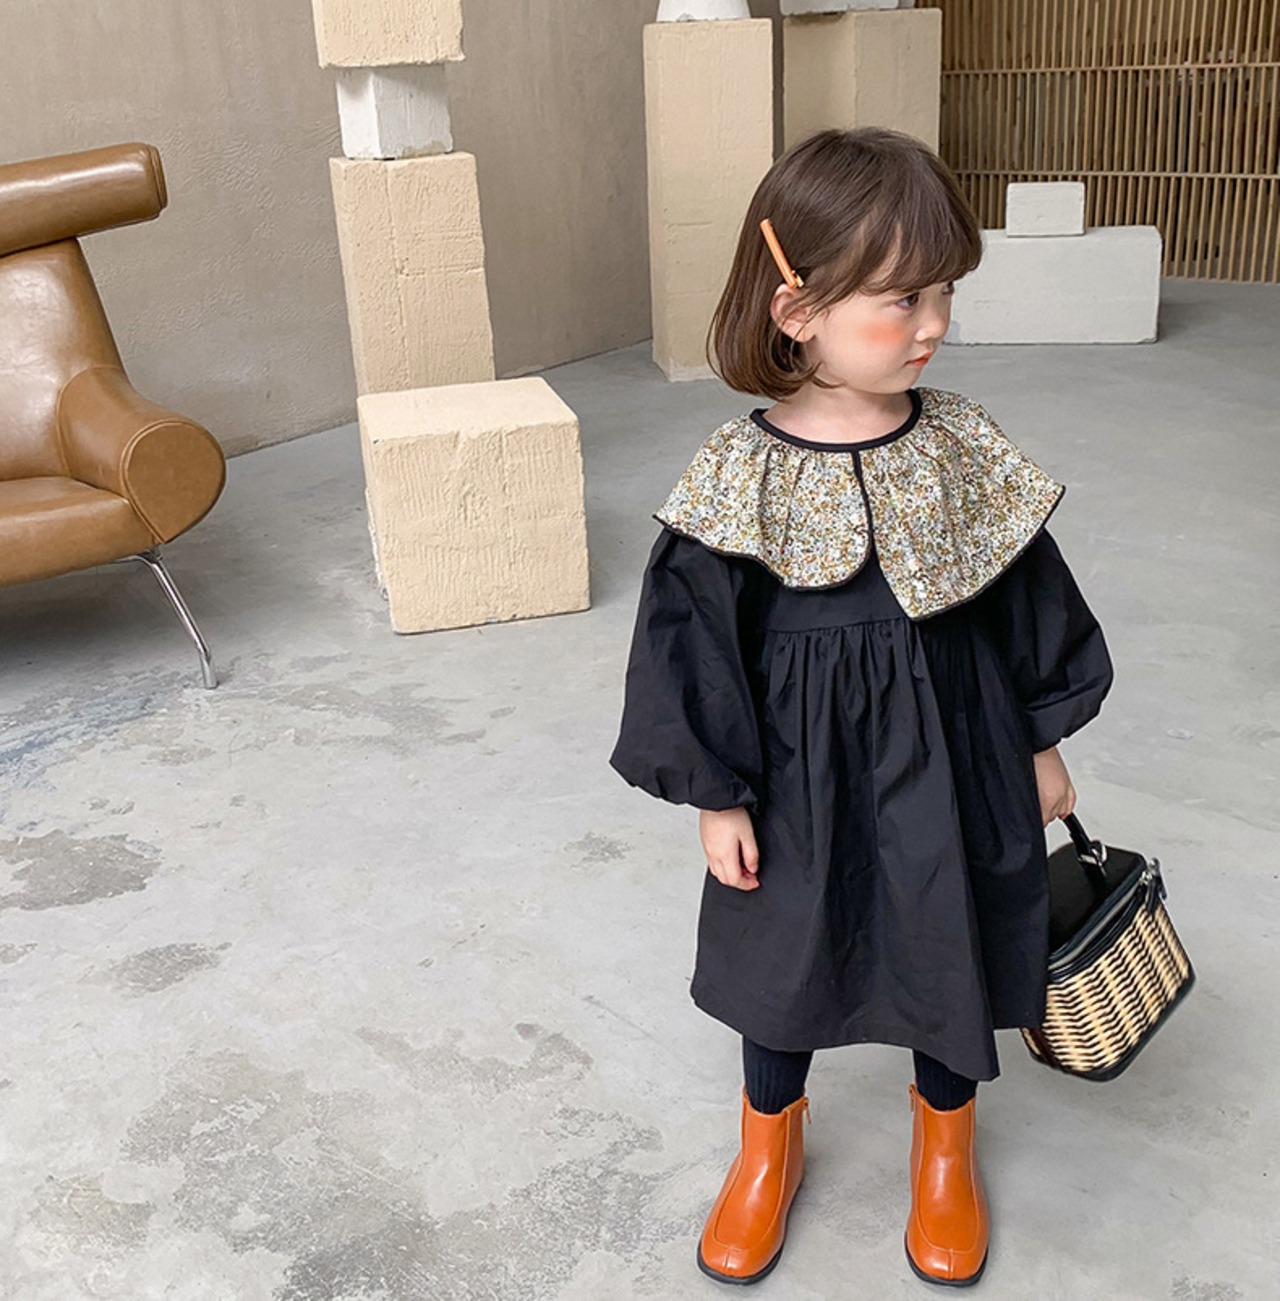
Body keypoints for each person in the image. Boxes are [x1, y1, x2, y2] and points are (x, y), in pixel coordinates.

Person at [607, 128, 1115, 1288]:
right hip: (799, 771)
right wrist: (716, 793)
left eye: (942, 292)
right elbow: (690, 644)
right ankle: (765, 1145)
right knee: (781, 948)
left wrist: (1038, 739)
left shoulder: (959, 445)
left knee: (952, 933)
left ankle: (945, 1146)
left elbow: (1024, 597)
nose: (932, 321)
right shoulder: (737, 475)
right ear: (796, 309)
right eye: (901, 298)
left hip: (958, 751)